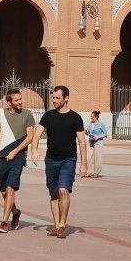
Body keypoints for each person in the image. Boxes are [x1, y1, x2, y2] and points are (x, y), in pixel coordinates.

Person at [0, 90, 38, 233]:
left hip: (18, 156)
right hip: (3, 156)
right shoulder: (1, 113)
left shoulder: (27, 114)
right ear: (9, 103)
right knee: (4, 192)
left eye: (21, 99)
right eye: (16, 100)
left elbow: (30, 137)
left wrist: (15, 151)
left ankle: (4, 222)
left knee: (10, 188)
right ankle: (15, 213)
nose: (20, 102)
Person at [38, 84, 88, 237]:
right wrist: (33, 150)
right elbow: (37, 133)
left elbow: (81, 142)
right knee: (53, 194)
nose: (54, 100)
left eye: (57, 98)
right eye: (53, 97)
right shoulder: (48, 116)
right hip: (51, 160)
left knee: (63, 190)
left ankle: (62, 225)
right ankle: (56, 223)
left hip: (68, 159)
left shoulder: (75, 118)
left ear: (66, 98)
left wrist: (84, 165)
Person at [84, 110, 110, 177]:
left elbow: (105, 134)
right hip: (91, 142)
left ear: (96, 117)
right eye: (91, 116)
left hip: (98, 142)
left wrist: (98, 137)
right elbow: (88, 132)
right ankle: (89, 172)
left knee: (97, 158)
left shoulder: (101, 124)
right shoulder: (90, 124)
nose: (91, 118)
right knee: (88, 157)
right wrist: (86, 132)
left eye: (92, 117)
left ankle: (96, 173)